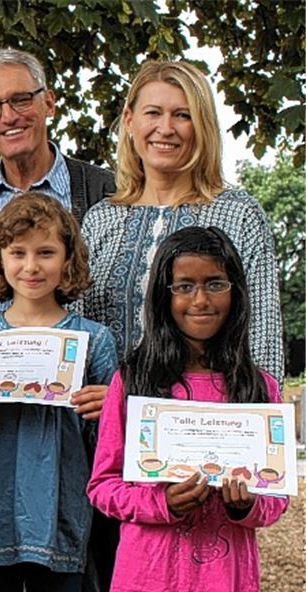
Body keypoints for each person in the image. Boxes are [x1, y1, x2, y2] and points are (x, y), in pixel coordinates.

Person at [86, 226, 288, 592]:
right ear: (164, 296)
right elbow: (103, 487)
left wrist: (245, 506)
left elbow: (276, 498)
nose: (200, 300)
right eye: (185, 286)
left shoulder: (259, 388)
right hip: (146, 587)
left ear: (236, 291)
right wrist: (163, 502)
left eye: (215, 284)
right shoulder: (134, 381)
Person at [0, 193, 118, 592]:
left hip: (61, 518)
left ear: (68, 260)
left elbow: (114, 444)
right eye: (18, 252)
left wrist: (111, 408)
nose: (31, 266)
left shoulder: (94, 341)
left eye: (46, 252)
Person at [81, 59, 284, 383]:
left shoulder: (239, 215)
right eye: (153, 113)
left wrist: (259, 415)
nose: (166, 128)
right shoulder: (100, 221)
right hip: (104, 427)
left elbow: (261, 340)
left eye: (182, 115)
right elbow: (80, 332)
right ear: (130, 121)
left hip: (202, 422)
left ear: (202, 126)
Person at [0, 48, 115, 332]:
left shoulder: (104, 190)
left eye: (21, 100)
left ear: (49, 103)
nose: (8, 116)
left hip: (82, 372)